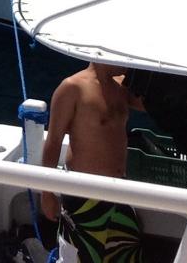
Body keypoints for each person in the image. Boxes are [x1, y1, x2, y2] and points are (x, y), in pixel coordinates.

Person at [39, 62, 143, 263]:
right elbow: (54, 141)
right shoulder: (72, 87)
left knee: (125, 255)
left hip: (120, 190)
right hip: (84, 196)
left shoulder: (122, 86)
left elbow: (152, 105)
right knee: (81, 257)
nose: (128, 60)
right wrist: (47, 193)